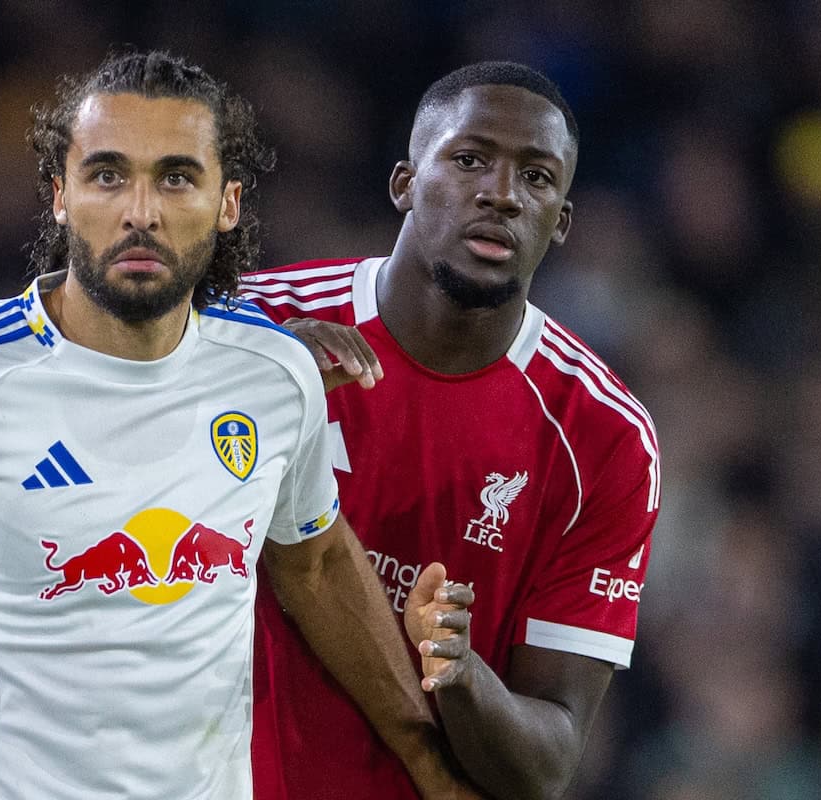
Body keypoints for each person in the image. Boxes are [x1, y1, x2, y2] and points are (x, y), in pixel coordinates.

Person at [0, 50, 474, 800]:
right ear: (59, 196)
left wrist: (431, 765)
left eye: (176, 177)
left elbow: (315, 562)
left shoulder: (273, 375)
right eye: (107, 175)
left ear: (228, 202)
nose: (140, 212)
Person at [243, 62, 660, 800]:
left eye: (536, 178)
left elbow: (549, 763)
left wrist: (462, 675)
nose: (501, 194)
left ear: (560, 220)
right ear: (405, 182)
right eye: (469, 160)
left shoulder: (604, 437)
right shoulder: (255, 330)